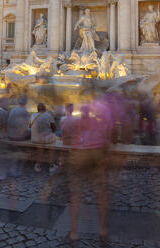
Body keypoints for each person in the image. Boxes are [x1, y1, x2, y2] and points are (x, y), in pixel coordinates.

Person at [67, 102, 113, 245]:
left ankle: (74, 234)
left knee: (75, 196)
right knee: (101, 195)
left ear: (81, 112)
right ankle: (103, 232)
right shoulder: (97, 123)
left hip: (80, 156)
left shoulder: (77, 123)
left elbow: (70, 140)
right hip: (96, 155)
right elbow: (106, 141)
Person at [30, 103, 58, 173]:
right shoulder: (48, 115)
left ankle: (38, 164)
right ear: (45, 109)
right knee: (52, 145)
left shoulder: (33, 115)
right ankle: (51, 165)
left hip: (34, 139)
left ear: (37, 109)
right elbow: (55, 129)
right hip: (46, 140)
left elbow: (30, 126)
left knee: (40, 146)